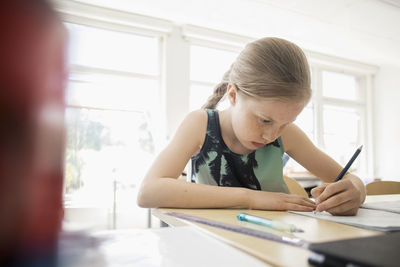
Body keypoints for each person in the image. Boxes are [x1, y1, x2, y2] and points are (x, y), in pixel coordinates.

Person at [137, 37, 366, 216]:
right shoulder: (200, 124)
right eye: (264, 120)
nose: (271, 135)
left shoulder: (288, 136)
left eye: (285, 123)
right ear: (233, 94)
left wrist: (356, 191)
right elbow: (148, 192)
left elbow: (348, 179)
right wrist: (251, 198)